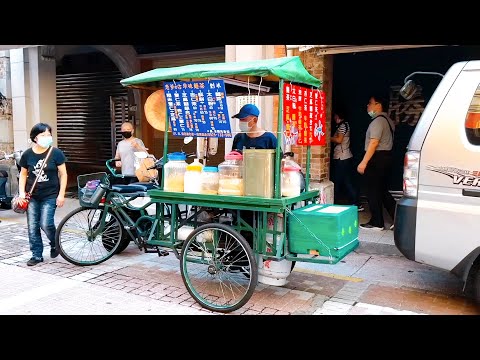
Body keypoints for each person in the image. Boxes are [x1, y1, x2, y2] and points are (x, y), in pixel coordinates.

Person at [18, 123, 67, 266]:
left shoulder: (56, 153)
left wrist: (61, 194)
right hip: (32, 196)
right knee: (33, 226)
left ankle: (54, 243)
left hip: (50, 195)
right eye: (43, 135)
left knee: (46, 223)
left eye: (49, 134)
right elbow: (23, 174)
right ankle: (37, 255)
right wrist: (22, 193)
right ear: (35, 138)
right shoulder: (27, 154)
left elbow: (63, 174)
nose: (47, 137)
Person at [357, 94, 396, 231]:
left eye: (370, 103)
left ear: (378, 105)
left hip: (377, 159)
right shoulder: (388, 120)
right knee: (383, 191)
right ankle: (398, 219)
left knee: (372, 191)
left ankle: (377, 222)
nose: (368, 106)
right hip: (385, 158)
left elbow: (374, 143)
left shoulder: (378, 121)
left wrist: (363, 162)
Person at [331, 110, 364, 212]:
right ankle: (355, 202)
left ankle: (356, 202)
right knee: (345, 180)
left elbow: (339, 140)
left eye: (335, 116)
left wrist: (327, 137)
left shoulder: (343, 126)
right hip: (343, 157)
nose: (334, 118)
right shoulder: (344, 125)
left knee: (344, 181)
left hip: (342, 157)